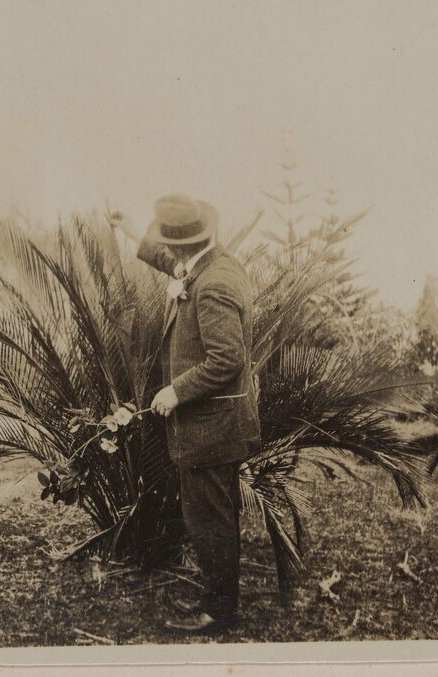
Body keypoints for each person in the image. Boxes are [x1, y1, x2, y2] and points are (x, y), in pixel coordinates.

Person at [108, 193, 260, 634]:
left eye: (172, 247)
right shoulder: (215, 264)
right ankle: (221, 602)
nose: (171, 256)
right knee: (215, 517)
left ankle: (220, 613)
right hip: (219, 425)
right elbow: (173, 267)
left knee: (210, 521)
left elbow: (226, 359)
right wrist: (131, 229)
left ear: (183, 248)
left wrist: (175, 390)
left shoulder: (212, 285)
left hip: (211, 429)